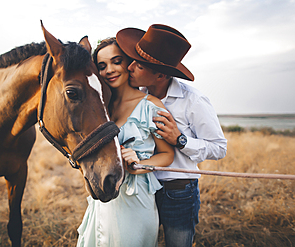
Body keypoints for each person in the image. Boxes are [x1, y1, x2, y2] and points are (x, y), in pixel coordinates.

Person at [116, 24, 228, 247]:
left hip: (178, 191)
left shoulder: (193, 101)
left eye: (138, 64)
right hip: (142, 188)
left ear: (160, 74)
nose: (130, 67)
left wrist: (180, 140)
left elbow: (219, 148)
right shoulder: (137, 96)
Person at [76, 37, 175, 247]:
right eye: (102, 66)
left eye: (116, 61)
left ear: (128, 63)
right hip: (103, 197)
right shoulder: (102, 107)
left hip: (135, 199)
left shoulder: (150, 105)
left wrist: (141, 164)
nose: (109, 70)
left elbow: (168, 155)